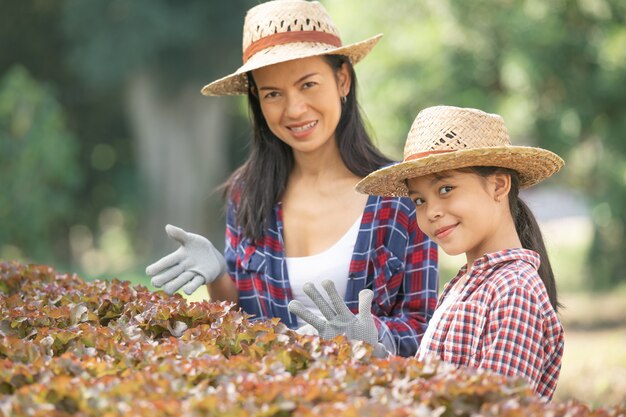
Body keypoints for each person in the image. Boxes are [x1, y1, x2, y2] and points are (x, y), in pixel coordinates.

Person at [145, 0, 439, 358]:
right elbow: (241, 327)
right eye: (273, 94)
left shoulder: (402, 196)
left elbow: (423, 327)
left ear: (342, 79)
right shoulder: (247, 194)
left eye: (308, 84)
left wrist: (370, 336)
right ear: (256, 99)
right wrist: (219, 276)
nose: (294, 109)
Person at [293, 105, 565, 399]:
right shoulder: (466, 287)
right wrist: (370, 355)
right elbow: (431, 397)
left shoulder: (514, 291)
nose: (432, 211)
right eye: (419, 200)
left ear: (498, 185)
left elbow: (491, 407)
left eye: (446, 189)